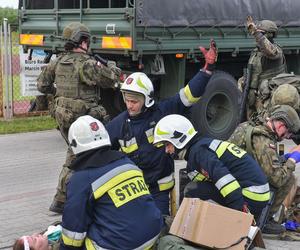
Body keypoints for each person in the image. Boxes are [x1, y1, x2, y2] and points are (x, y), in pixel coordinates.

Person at [106, 39, 217, 215]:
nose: (129, 105)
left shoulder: (161, 111)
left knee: (159, 226)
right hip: (134, 191)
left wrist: (207, 70)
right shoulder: (118, 124)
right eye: (126, 100)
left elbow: (188, 96)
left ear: (147, 99)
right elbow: (101, 150)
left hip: (160, 190)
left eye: (134, 101)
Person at [37, 22, 121, 213]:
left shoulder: (57, 62)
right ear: (82, 41)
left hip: (63, 116)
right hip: (83, 119)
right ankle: (61, 199)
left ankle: (80, 194)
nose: (89, 44)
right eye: (87, 41)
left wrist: (58, 95)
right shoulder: (87, 65)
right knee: (77, 156)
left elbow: (42, 85)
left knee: (78, 153)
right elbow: (112, 79)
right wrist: (112, 66)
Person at [60, 115, 163, 249]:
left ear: (74, 145)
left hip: (124, 245)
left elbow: (73, 236)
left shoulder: (80, 179)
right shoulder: (127, 162)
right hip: (153, 235)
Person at [153, 114, 270, 222]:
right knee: (194, 183)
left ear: (179, 138)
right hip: (257, 193)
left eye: (167, 145)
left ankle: (192, 225)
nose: (167, 151)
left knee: (192, 189)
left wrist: (237, 217)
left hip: (250, 196)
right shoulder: (200, 147)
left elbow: (227, 182)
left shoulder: (199, 152)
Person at [229, 104, 300, 234]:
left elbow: (258, 158)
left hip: (232, 180)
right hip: (242, 189)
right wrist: (292, 161)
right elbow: (277, 179)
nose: (287, 137)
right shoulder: (264, 140)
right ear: (280, 126)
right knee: (288, 178)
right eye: (288, 132)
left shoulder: (249, 126)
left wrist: (283, 158)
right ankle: (264, 220)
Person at [245, 16, 286, 119]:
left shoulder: (276, 51)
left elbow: (269, 50)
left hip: (268, 101)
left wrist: (256, 32)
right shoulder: (256, 52)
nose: (257, 37)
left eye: (262, 33)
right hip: (253, 98)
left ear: (270, 35)